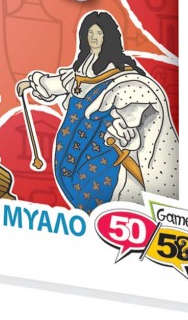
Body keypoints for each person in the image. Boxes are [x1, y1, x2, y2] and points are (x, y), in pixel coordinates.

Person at [25, 11, 178, 211]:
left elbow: (135, 92)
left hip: (103, 142)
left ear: (108, 36)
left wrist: (126, 124)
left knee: (98, 184)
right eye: (90, 33)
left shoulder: (121, 69)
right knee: (72, 179)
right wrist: (33, 83)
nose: (94, 38)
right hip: (71, 138)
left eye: (99, 33)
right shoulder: (82, 66)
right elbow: (62, 83)